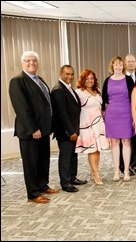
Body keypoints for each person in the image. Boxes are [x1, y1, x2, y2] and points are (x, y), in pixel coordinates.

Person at [9, 51, 60, 203]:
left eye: (34, 60)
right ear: (22, 63)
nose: (31, 63)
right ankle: (33, 193)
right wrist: (33, 129)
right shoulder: (17, 81)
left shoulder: (39, 79)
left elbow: (46, 104)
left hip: (43, 129)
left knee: (43, 160)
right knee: (30, 163)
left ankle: (43, 185)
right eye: (27, 60)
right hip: (30, 131)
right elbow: (21, 108)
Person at [51, 65, 87, 193]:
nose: (70, 76)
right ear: (61, 73)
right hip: (66, 131)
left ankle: (72, 177)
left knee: (73, 155)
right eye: (67, 74)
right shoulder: (58, 90)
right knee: (65, 157)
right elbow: (61, 113)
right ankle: (65, 183)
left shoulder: (68, 88)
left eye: (71, 74)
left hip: (73, 129)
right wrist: (70, 131)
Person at [102, 56, 134, 182]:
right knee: (114, 143)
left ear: (123, 66)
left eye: (121, 65)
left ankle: (126, 171)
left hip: (126, 114)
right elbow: (104, 98)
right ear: (112, 66)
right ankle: (116, 172)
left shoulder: (128, 80)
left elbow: (133, 99)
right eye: (116, 65)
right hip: (112, 115)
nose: (118, 67)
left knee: (126, 142)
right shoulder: (107, 80)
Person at [75, 69, 110, 185]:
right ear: (83, 80)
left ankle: (93, 171)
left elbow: (101, 108)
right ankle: (96, 174)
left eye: (92, 78)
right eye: (87, 78)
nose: (90, 81)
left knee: (97, 149)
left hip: (98, 123)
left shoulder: (98, 91)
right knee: (92, 150)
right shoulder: (79, 92)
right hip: (87, 123)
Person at [118, 54, 136, 175]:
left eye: (133, 61)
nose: (131, 63)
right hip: (124, 112)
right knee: (126, 140)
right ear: (125, 64)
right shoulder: (120, 78)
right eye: (129, 62)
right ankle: (123, 166)